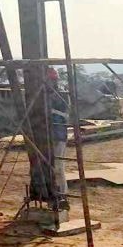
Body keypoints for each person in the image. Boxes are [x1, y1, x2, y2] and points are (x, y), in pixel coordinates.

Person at [46, 67, 69, 210]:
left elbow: (64, 115)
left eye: (51, 80)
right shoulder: (43, 95)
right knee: (47, 166)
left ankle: (62, 195)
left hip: (58, 134)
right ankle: (52, 195)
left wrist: (49, 112)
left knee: (58, 167)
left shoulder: (61, 95)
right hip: (46, 135)